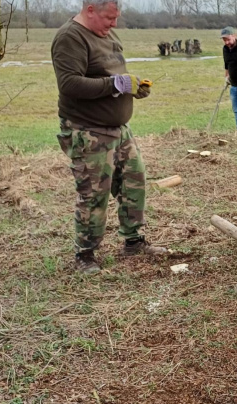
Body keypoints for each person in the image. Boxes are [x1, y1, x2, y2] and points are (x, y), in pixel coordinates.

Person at [51, 0, 167, 275]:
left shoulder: (106, 33)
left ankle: (133, 241)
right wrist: (116, 84)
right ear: (90, 10)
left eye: (116, 18)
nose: (113, 24)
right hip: (87, 129)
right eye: (108, 18)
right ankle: (85, 254)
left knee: (134, 181)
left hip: (119, 128)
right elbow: (69, 83)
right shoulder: (71, 37)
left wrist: (132, 88)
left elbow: (112, 76)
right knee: (94, 193)